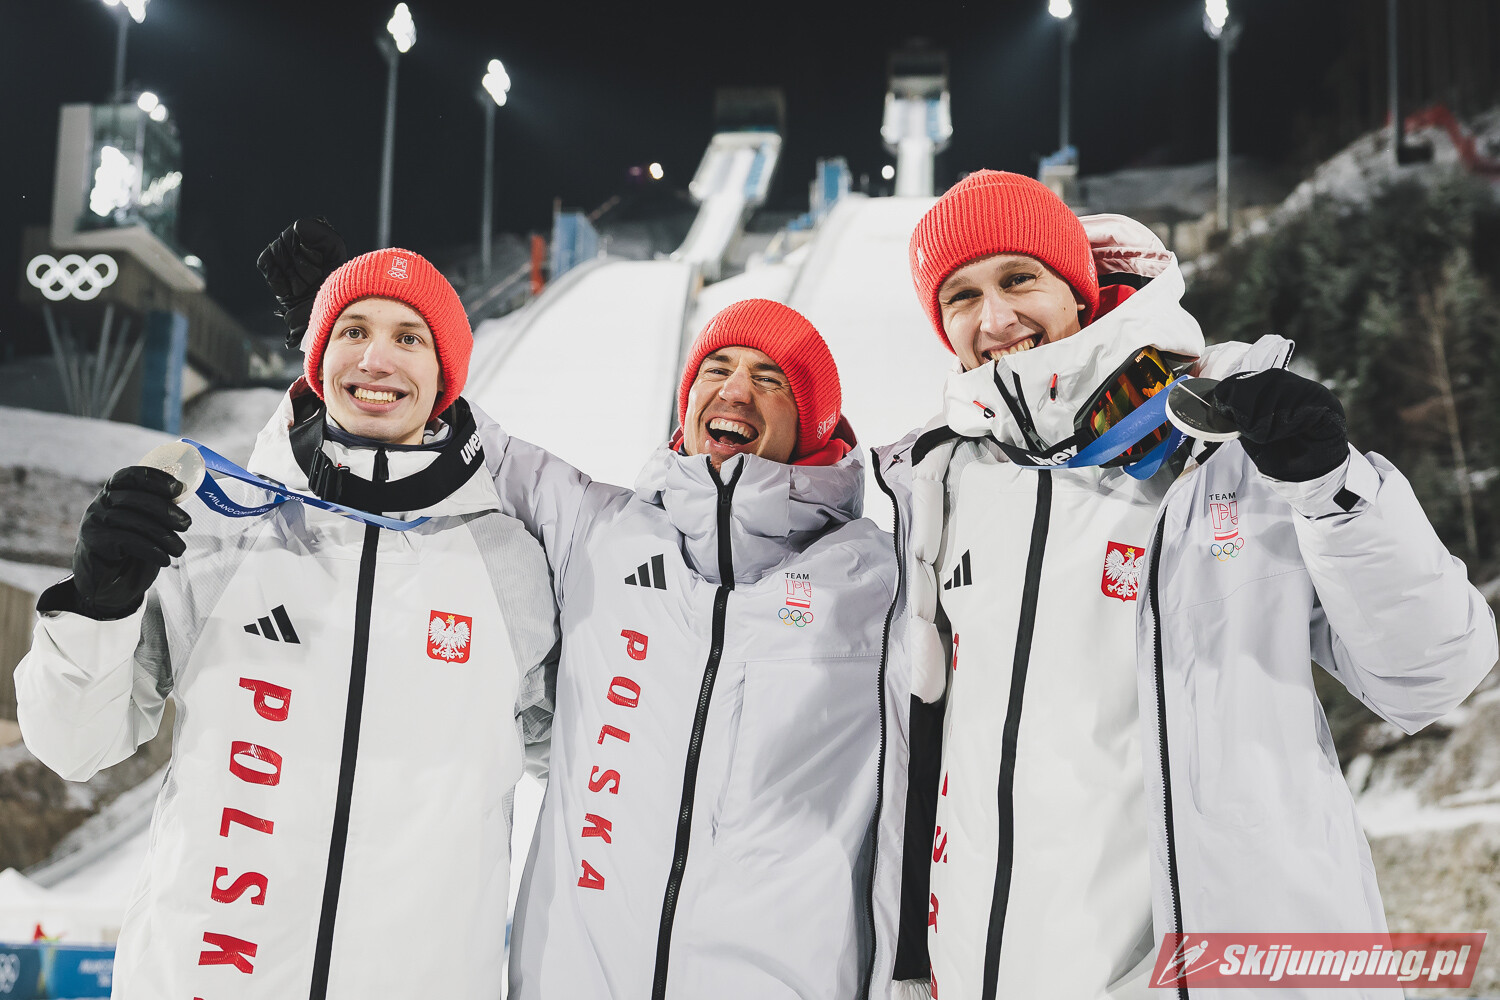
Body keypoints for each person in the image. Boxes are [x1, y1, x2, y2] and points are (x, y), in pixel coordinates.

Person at [874, 170, 1498, 999]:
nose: (995, 319)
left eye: (1019, 279)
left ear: (1078, 286)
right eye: (961, 295)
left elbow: (1433, 670)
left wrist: (1333, 489)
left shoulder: (1230, 438)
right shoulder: (938, 485)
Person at [15, 244, 557, 999]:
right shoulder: (221, 531)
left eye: (409, 338)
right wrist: (94, 608)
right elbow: (74, 745)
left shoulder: (509, 564)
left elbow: (593, 773)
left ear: (446, 377)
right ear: (317, 356)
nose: (376, 358)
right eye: (352, 331)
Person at [476, 298, 922, 999]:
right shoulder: (598, 531)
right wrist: (339, 343)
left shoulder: (878, 580)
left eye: (770, 379)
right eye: (716, 368)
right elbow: (464, 446)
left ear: (813, 424)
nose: (735, 390)